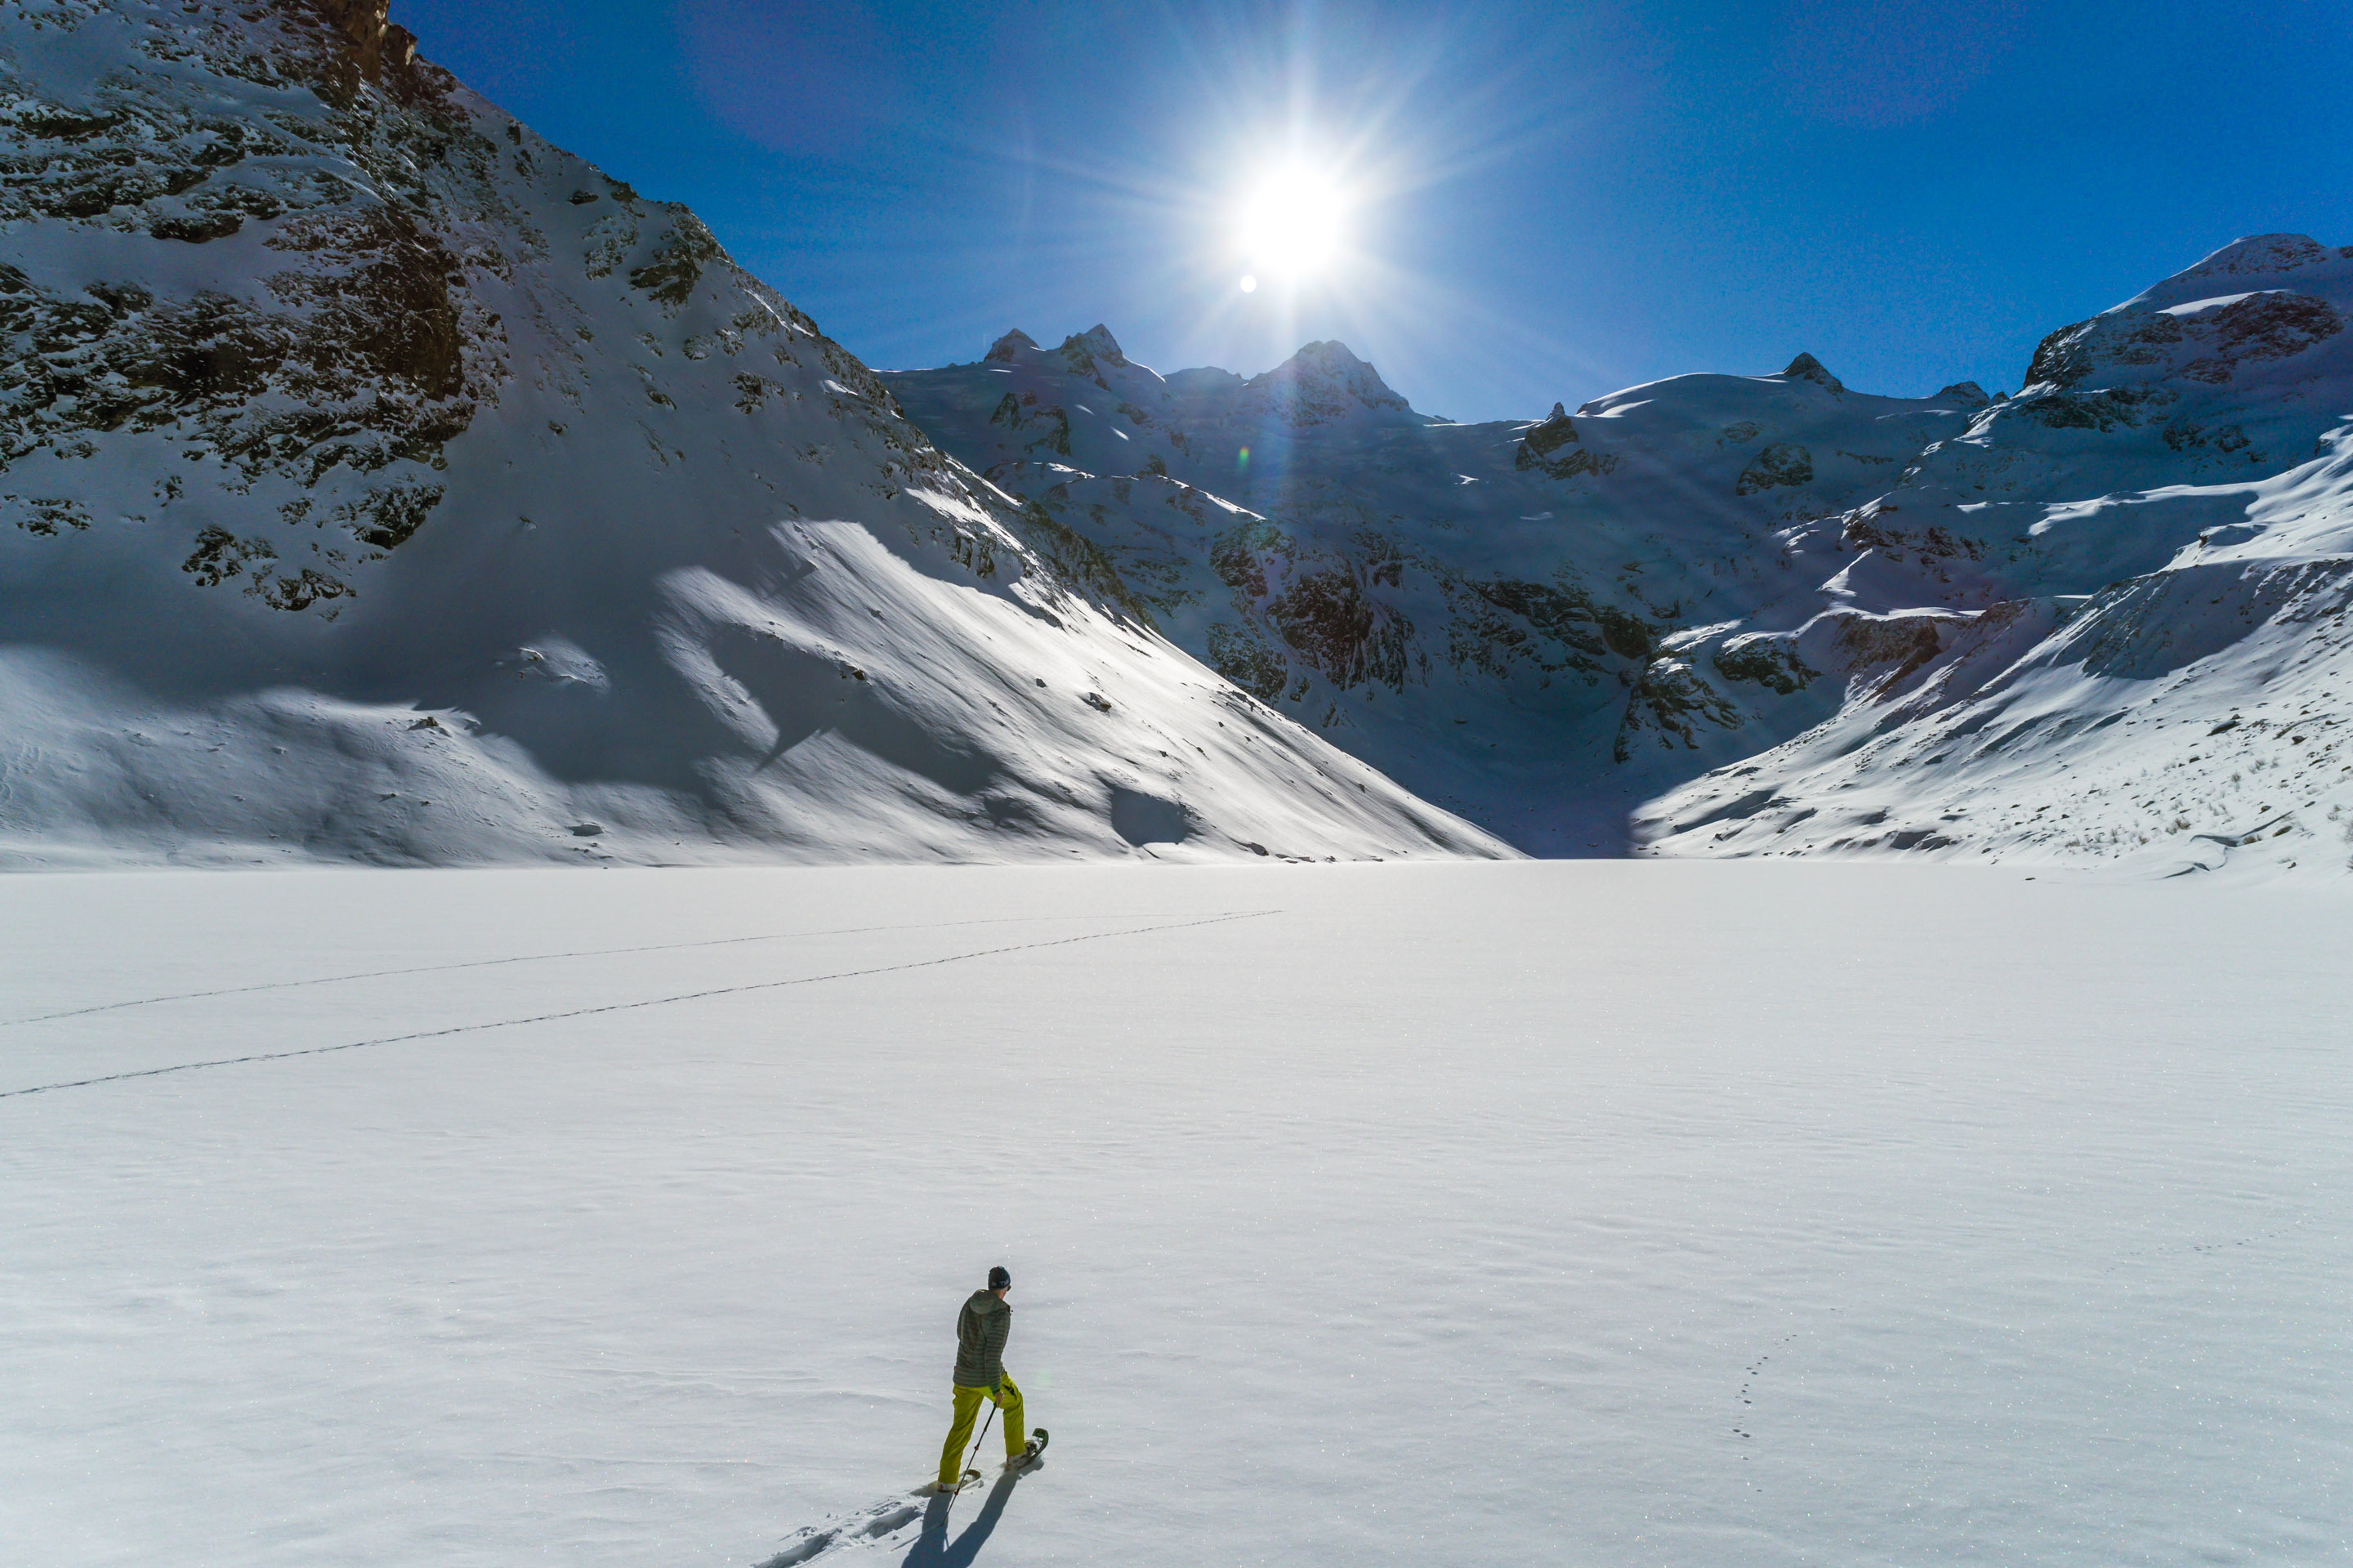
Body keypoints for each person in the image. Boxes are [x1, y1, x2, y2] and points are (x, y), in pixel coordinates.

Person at [936, 1266, 1036, 1491]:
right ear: (1005, 1287)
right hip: (985, 1379)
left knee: (960, 1427)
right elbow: (992, 1356)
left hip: (962, 1375)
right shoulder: (1000, 1314)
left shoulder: (971, 1302)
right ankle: (1017, 1455)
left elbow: (961, 1334)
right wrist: (996, 1389)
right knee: (1015, 1403)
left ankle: (947, 1480)